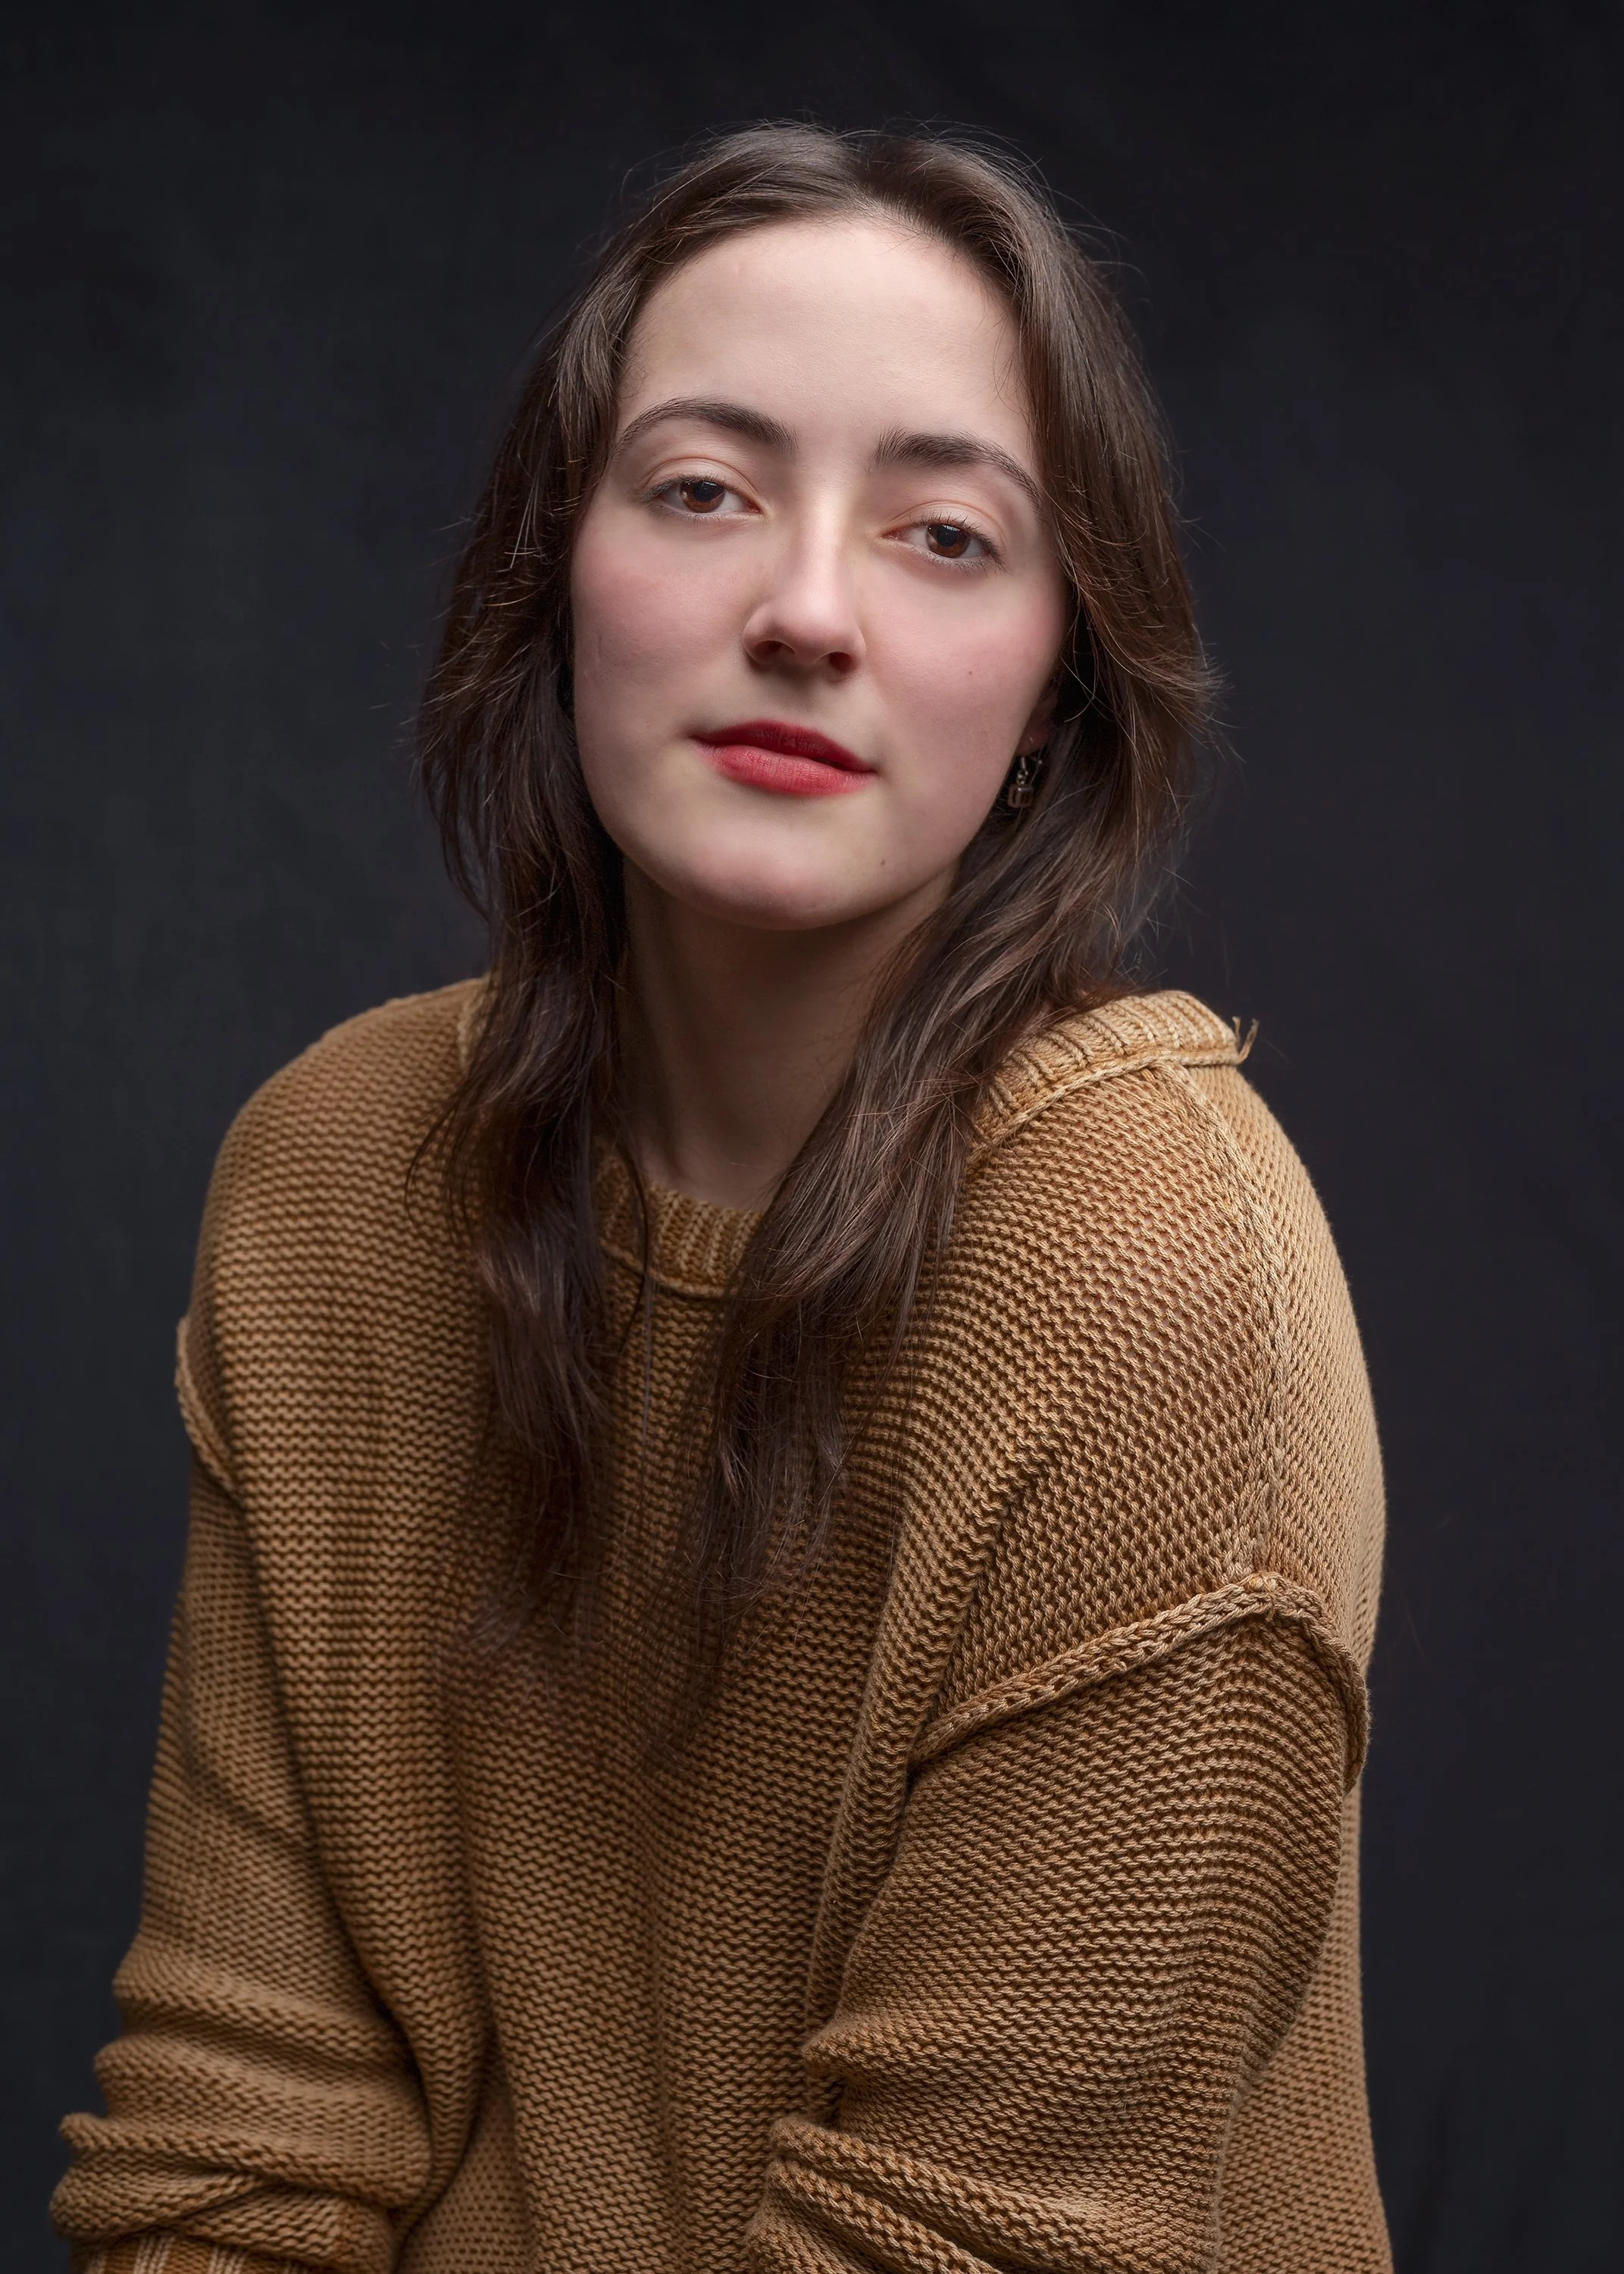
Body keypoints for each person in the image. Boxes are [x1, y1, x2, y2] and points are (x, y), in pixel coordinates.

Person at [53, 124, 1391, 2274]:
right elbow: (242, 2134)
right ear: (551, 562)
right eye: (704, 487)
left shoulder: (1159, 1289)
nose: (801, 609)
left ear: (1057, 680)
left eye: (945, 534)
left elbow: (955, 2247)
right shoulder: (331, 1176)